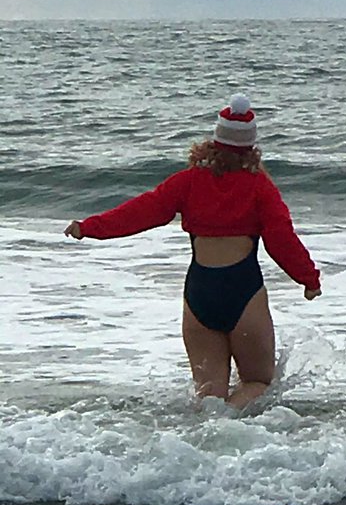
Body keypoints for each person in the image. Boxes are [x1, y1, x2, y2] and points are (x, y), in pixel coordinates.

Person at [64, 94, 321, 410]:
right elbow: (281, 240)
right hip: (244, 291)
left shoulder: (187, 182)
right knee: (257, 383)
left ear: (215, 140)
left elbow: (141, 212)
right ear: (252, 147)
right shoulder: (260, 187)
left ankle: (205, 443)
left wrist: (89, 227)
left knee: (209, 398)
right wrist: (308, 279)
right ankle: (234, 438)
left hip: (199, 292)